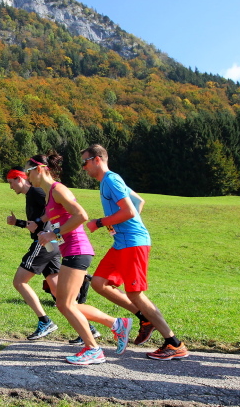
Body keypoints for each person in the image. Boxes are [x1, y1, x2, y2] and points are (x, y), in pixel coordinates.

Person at [81, 144, 188, 361]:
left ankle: (174, 344)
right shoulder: (108, 181)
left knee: (135, 293)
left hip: (133, 243)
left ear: (97, 159)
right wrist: (118, 225)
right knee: (99, 282)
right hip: (121, 243)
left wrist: (100, 222)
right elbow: (139, 202)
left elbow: (129, 211)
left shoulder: (111, 180)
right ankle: (144, 317)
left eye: (85, 162)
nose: (83, 167)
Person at [25, 152, 131, 365]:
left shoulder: (58, 189)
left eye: (28, 171)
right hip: (71, 251)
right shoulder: (49, 194)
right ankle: (116, 324)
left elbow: (81, 215)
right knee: (65, 304)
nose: (26, 176)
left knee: (65, 304)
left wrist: (53, 234)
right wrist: (44, 229)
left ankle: (94, 349)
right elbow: (58, 219)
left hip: (78, 250)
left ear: (39, 169)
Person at [6, 166, 61, 340]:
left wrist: (44, 227)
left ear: (19, 179)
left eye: (11, 183)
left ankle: (45, 321)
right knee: (58, 291)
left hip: (44, 242)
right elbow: (35, 224)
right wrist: (17, 222)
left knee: (19, 282)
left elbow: (54, 209)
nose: (10, 187)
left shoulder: (36, 192)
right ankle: (88, 328)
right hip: (52, 244)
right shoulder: (30, 195)